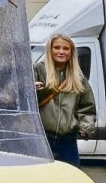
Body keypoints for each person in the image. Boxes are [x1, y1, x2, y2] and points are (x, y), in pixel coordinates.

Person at [36, 34, 96, 167]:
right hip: (42, 139)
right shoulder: (37, 70)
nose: (61, 51)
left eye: (66, 48)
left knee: (71, 180)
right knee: (42, 180)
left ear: (71, 52)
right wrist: (31, 88)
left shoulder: (78, 78)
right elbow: (21, 99)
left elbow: (87, 107)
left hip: (67, 141)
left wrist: (85, 127)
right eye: (56, 47)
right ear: (50, 50)